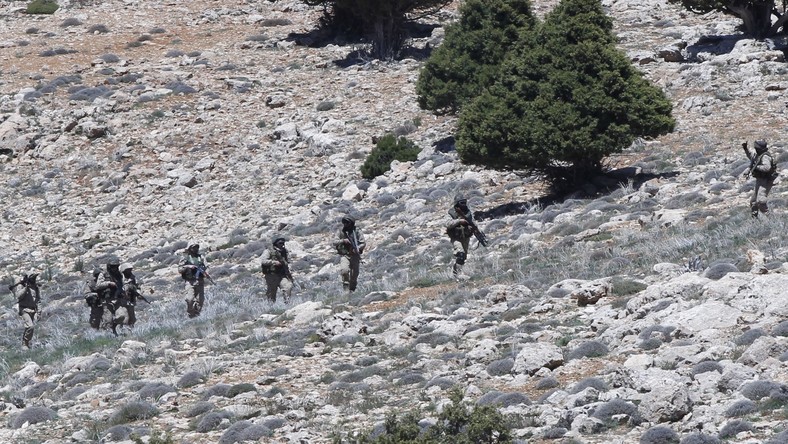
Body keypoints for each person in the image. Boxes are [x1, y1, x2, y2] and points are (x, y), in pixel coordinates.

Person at [90, 256, 126, 335]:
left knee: (121, 316)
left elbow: (122, 284)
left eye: (116, 266)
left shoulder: (119, 274)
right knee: (108, 320)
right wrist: (109, 283)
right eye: (112, 266)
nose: (114, 268)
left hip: (117, 299)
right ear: (109, 266)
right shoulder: (103, 274)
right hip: (107, 300)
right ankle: (108, 334)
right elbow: (98, 285)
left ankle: (114, 326)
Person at [743, 140, 778, 218]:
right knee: (753, 202)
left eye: (756, 148)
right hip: (760, 180)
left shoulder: (765, 156)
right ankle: (755, 219)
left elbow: (767, 167)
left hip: (766, 181)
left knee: (760, 201)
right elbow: (751, 156)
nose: (755, 149)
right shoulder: (758, 155)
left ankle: (770, 218)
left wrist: (756, 167)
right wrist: (746, 149)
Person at [446, 195, 476, 279]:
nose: (464, 204)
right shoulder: (452, 213)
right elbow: (448, 223)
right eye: (462, 203)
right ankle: (457, 275)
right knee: (461, 254)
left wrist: (473, 228)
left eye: (465, 202)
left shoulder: (467, 212)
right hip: (456, 237)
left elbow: (473, 222)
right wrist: (459, 221)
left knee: (463, 258)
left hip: (465, 237)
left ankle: (456, 271)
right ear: (457, 203)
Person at [334, 216, 366, 292]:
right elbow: (334, 242)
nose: (345, 224)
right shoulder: (340, 231)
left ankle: (352, 290)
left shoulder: (357, 231)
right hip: (345, 255)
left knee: (354, 274)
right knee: (344, 270)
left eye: (347, 223)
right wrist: (343, 241)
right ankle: (346, 287)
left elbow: (363, 243)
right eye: (344, 223)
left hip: (355, 255)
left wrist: (357, 248)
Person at [10, 273, 40, 349]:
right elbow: (18, 296)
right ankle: (25, 344)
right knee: (30, 326)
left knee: (28, 328)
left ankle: (26, 343)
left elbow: (38, 300)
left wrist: (39, 311)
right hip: (24, 310)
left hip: (32, 310)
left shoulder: (35, 288)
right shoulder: (22, 286)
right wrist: (26, 287)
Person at [179, 243, 209, 317]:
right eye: (194, 248)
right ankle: (190, 312)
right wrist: (188, 266)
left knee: (200, 301)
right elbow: (180, 269)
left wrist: (206, 273)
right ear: (190, 249)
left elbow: (207, 267)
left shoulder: (201, 257)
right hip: (190, 282)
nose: (195, 249)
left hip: (200, 281)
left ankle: (196, 315)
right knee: (190, 299)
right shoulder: (185, 258)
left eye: (197, 247)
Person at [260, 237, 293, 303]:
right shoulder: (269, 251)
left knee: (288, 287)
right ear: (275, 243)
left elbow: (288, 261)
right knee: (272, 293)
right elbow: (263, 261)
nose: (282, 245)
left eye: (283, 243)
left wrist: (289, 270)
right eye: (280, 243)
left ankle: (287, 303)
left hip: (282, 274)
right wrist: (273, 262)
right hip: (271, 275)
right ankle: (271, 306)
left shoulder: (284, 251)